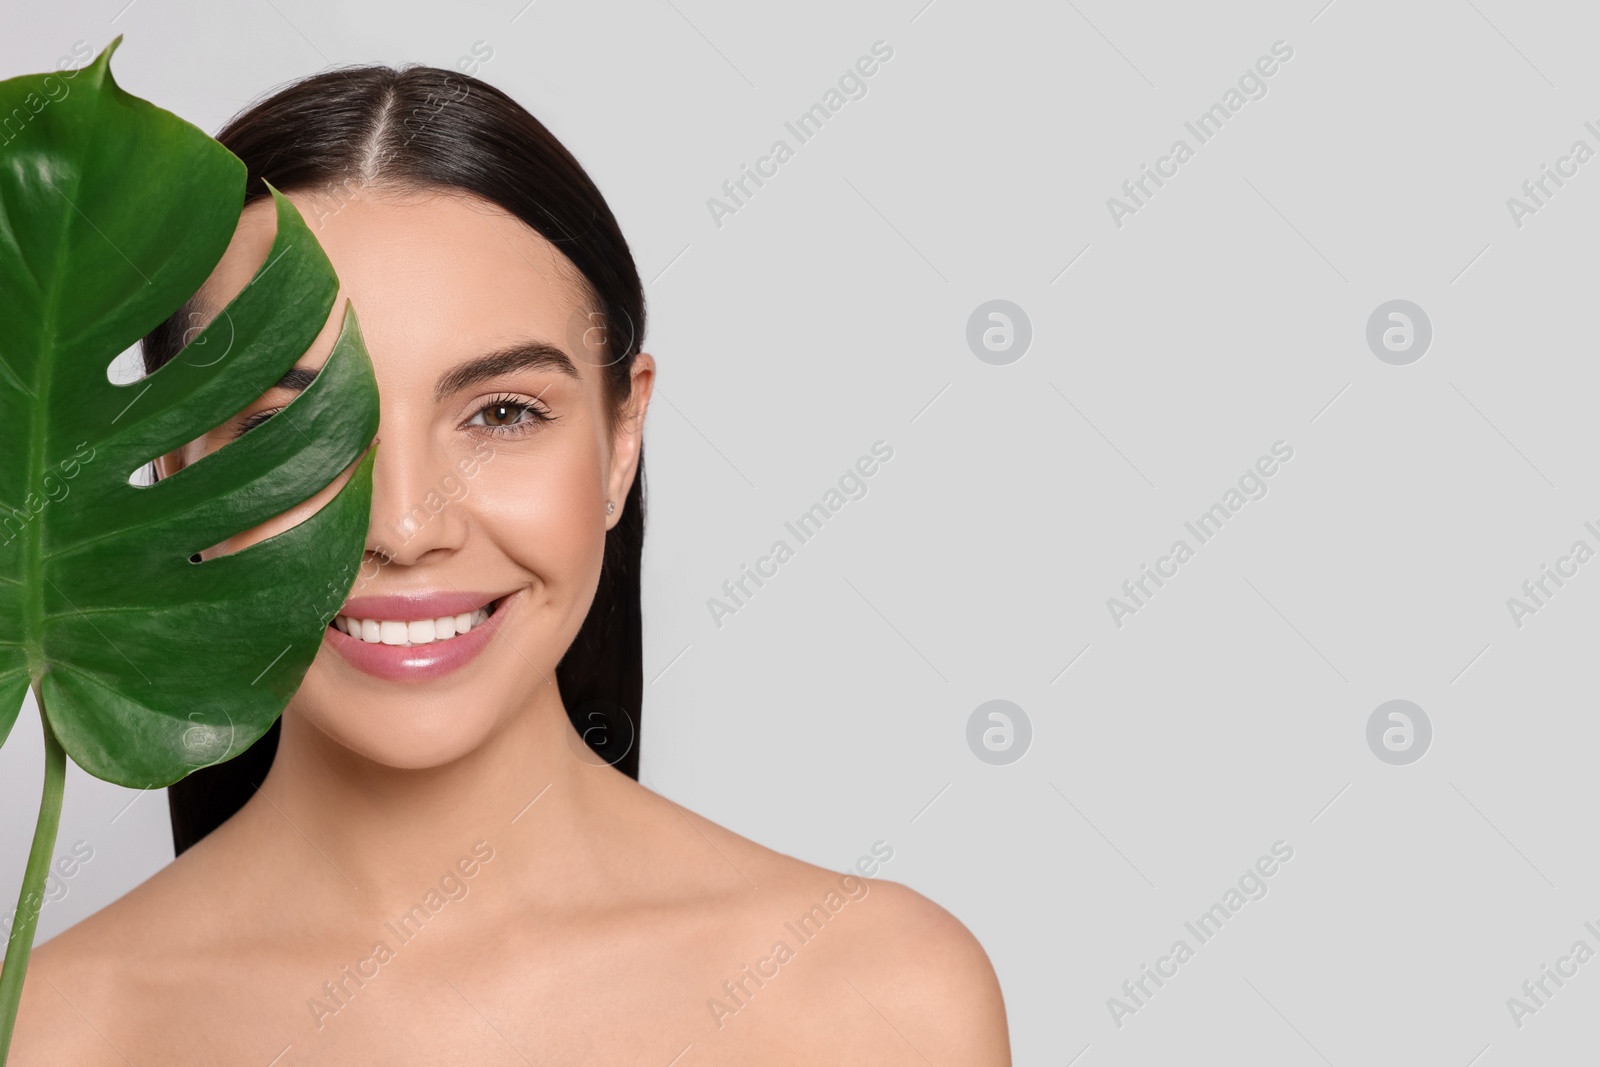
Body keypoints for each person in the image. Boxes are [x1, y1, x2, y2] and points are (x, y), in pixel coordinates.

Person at [10, 63, 1009, 1063]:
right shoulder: (52, 1029)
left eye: (501, 413)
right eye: (289, 424)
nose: (403, 524)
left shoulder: (876, 997)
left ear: (622, 441)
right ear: (182, 460)